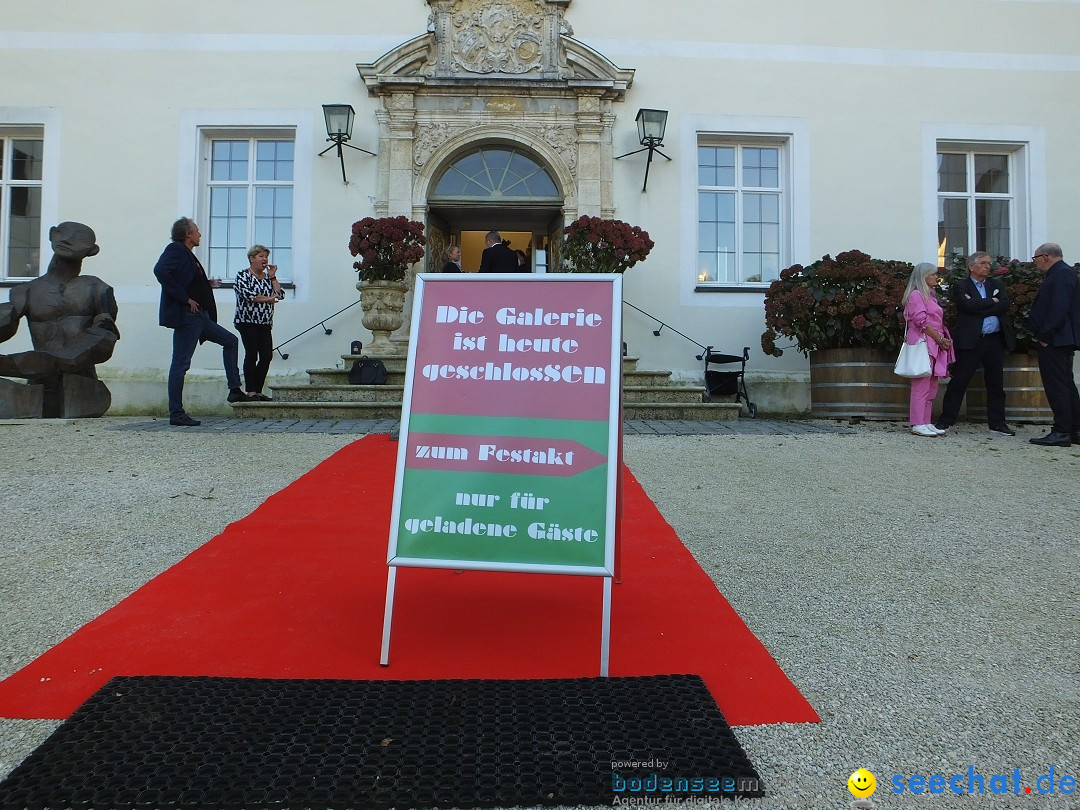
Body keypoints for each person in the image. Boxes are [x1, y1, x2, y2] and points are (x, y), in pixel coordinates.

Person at [0, 221, 119, 417]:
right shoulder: (25, 291)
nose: (67, 240)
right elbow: (5, 322)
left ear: (92, 250)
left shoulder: (97, 288)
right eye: (62, 233)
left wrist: (56, 361)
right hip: (38, 381)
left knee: (101, 332)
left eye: (78, 238)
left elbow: (105, 337)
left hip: (82, 385)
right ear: (52, 235)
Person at [154, 217, 250, 427]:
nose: (200, 234)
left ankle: (234, 390)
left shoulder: (187, 255)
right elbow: (160, 271)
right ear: (187, 234)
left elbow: (185, 279)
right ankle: (176, 413)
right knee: (180, 364)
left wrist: (206, 284)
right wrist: (184, 299)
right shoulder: (176, 249)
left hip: (201, 318)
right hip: (188, 317)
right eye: (196, 231)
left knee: (231, 341)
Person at [935, 252, 1016, 436]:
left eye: (989, 263)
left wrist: (979, 306)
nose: (988, 266)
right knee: (960, 381)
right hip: (971, 340)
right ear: (971, 266)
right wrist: (989, 303)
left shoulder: (996, 285)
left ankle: (997, 423)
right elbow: (966, 306)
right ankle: (946, 421)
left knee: (996, 383)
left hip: (994, 340)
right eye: (983, 263)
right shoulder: (961, 285)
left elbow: (1004, 305)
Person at [1027, 242, 1080, 447]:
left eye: (1035, 258)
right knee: (1065, 384)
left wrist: (1045, 335)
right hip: (1061, 338)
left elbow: (1059, 307)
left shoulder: (1061, 274)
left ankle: (1061, 431)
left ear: (1046, 257)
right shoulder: (1062, 273)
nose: (1035, 262)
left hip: (1056, 339)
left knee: (1057, 386)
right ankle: (1073, 429)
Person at [901, 262, 955, 437]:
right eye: (932, 274)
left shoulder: (930, 296)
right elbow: (921, 322)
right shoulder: (917, 295)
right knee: (921, 384)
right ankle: (917, 422)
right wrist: (940, 339)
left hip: (933, 342)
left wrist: (941, 340)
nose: (935, 277)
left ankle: (925, 421)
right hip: (924, 342)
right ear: (923, 277)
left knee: (931, 384)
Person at [233, 244, 284, 401]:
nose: (265, 259)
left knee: (267, 355)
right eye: (261, 256)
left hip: (264, 322)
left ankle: (258, 390)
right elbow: (251, 296)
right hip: (246, 321)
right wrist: (269, 299)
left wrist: (273, 277)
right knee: (251, 353)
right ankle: (251, 391)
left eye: (266, 256)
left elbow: (280, 294)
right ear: (252, 258)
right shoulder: (243, 275)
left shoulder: (268, 278)